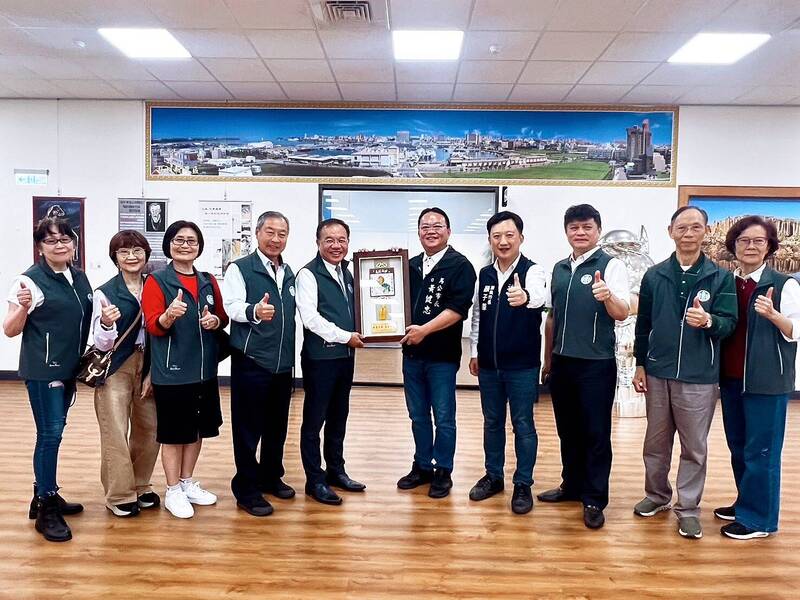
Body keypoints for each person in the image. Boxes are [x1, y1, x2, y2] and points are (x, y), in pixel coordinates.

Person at [632, 205, 737, 539]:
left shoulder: (720, 277)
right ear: (670, 232)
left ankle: (688, 509)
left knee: (694, 447)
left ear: (705, 231)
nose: (688, 233)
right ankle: (656, 495)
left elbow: (729, 324)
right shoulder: (655, 275)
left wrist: (709, 321)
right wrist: (640, 363)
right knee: (656, 443)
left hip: (699, 376)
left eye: (695, 227)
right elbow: (642, 324)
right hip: (658, 371)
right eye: (681, 227)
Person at [538, 204, 630, 529]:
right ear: (566, 231)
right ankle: (572, 485)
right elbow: (552, 317)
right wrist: (548, 359)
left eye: (587, 227)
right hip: (563, 363)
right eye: (574, 227)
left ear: (598, 230)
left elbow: (622, 312)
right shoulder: (560, 268)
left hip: (596, 364)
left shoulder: (611, 265)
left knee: (595, 433)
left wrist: (607, 296)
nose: (580, 232)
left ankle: (594, 498)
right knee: (567, 430)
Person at [3, 217, 92, 542]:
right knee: (50, 435)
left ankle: (43, 492)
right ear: (40, 247)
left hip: (68, 368)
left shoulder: (78, 277)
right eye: (51, 240)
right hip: (44, 371)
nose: (59, 245)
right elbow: (10, 329)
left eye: (65, 239)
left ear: (74, 243)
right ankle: (46, 507)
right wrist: (23, 308)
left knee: (55, 432)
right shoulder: (28, 281)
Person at [715, 216, 800, 539]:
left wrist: (774, 315)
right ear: (734, 246)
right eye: (744, 241)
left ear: (769, 247)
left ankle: (759, 521)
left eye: (758, 241)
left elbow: (795, 330)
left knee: (762, 451)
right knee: (739, 447)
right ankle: (746, 504)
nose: (750, 246)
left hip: (767, 381)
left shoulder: (784, 284)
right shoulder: (728, 283)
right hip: (731, 379)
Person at [142, 220, 229, 519]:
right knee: (174, 434)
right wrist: (168, 316)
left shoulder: (208, 280)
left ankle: (186, 482)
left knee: (196, 431)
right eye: (179, 240)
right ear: (168, 245)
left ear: (199, 247)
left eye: (192, 241)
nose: (185, 245)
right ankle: (172, 490)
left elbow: (222, 317)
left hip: (204, 370)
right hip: (173, 371)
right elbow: (153, 325)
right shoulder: (157, 281)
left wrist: (214, 321)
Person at [468, 211, 546, 514]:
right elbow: (478, 315)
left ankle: (523, 483)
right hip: (489, 365)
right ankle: (493, 476)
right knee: (492, 422)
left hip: (522, 366)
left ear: (520, 238)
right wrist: (474, 352)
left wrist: (524, 296)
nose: (503, 241)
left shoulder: (532, 270)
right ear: (490, 240)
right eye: (496, 236)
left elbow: (539, 297)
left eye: (509, 235)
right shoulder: (485, 274)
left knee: (523, 424)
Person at [397, 207, 477, 499]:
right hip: (411, 355)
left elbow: (458, 309)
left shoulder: (460, 266)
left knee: (443, 417)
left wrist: (425, 330)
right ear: (418, 232)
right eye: (425, 226)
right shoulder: (409, 265)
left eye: (437, 225)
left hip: (442, 357)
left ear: (448, 231)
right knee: (417, 415)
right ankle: (422, 465)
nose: (431, 231)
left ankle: (443, 469)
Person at [223, 211, 296, 517]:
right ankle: (246, 488)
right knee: (248, 429)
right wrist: (254, 310)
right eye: (270, 232)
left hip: (282, 364)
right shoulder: (240, 268)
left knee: (277, 426)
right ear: (257, 233)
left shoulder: (288, 271)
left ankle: (270, 476)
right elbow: (231, 306)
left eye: (282, 233)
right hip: (252, 360)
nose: (275, 239)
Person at [90, 231, 160, 518]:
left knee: (150, 428)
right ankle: (119, 494)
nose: (132, 256)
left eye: (137, 250)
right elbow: (101, 343)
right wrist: (107, 324)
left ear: (146, 254)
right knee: (116, 431)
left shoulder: (156, 285)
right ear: (115, 258)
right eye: (124, 252)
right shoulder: (105, 292)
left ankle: (140, 484)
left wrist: (152, 371)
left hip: (150, 362)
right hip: (117, 366)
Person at [296, 218, 365, 505]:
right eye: (329, 240)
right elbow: (310, 319)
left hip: (345, 358)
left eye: (341, 240)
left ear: (348, 242)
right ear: (318, 243)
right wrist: (346, 336)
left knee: (339, 417)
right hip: (320, 359)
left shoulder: (347, 272)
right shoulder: (308, 274)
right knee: (315, 421)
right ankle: (315, 480)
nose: (336, 245)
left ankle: (336, 470)